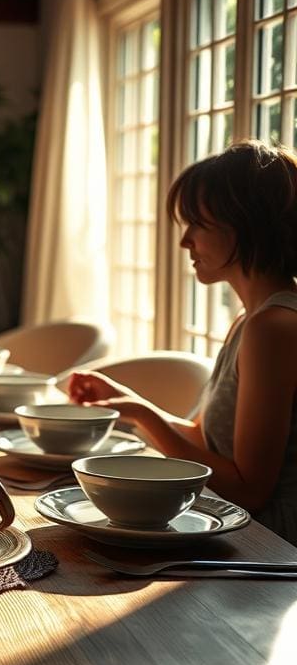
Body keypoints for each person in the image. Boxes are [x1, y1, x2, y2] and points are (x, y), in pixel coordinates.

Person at [69, 140, 297, 544]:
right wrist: (132, 405)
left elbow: (249, 491)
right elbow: (205, 439)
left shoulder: (275, 327)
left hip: (268, 548)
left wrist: (147, 418)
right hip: (233, 529)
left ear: (246, 225)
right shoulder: (251, 319)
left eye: (198, 224)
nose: (184, 241)